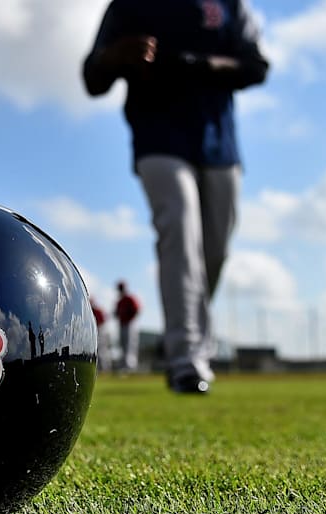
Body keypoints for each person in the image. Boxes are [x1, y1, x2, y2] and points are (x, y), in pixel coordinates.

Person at [83, 0, 269, 394]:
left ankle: (187, 344)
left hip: (219, 145)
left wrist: (194, 64)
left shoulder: (231, 5)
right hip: (158, 137)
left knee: (214, 251)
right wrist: (115, 58)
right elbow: (93, 78)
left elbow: (257, 66)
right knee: (180, 233)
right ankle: (186, 360)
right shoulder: (127, 7)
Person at [113, 280, 141, 372]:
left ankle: (130, 367)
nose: (120, 290)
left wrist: (130, 318)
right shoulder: (120, 301)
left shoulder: (130, 298)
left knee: (130, 344)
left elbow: (137, 310)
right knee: (123, 345)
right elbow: (116, 313)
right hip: (122, 324)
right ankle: (125, 366)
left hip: (130, 324)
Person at [91, 296, 112, 372]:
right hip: (97, 330)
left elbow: (104, 320)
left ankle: (105, 369)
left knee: (102, 350)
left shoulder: (97, 310)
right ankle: (101, 368)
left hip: (101, 330)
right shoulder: (91, 310)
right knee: (99, 350)